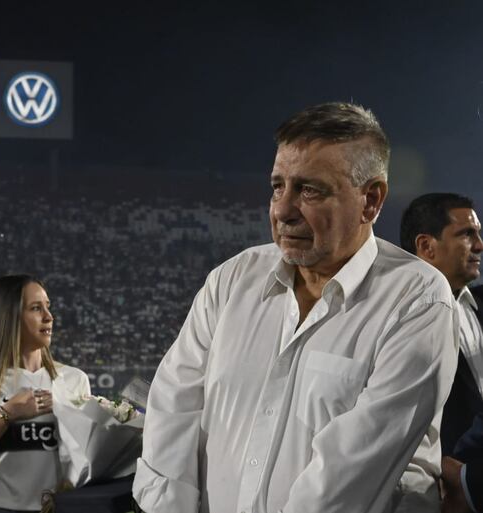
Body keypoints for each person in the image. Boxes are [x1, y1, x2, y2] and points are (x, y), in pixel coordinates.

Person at [132, 102, 458, 513]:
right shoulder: (231, 280)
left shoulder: (417, 300)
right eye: (277, 186)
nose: (282, 210)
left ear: (371, 200)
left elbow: (350, 475)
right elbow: (172, 410)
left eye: (309, 190)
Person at [0, 274, 91, 513]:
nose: (49, 316)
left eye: (48, 306)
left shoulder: (76, 380)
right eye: (36, 308)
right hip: (0, 508)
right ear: (9, 317)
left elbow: (87, 458)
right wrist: (6, 414)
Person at [400, 193, 483, 513]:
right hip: (433, 494)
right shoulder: (393, 320)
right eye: (467, 234)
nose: (479, 245)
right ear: (426, 246)